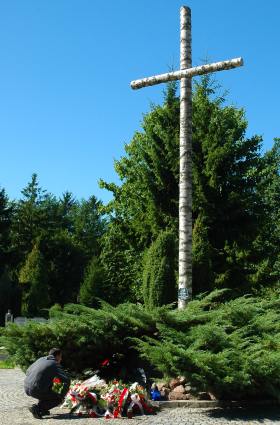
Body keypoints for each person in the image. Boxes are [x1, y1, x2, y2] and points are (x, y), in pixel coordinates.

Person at [24, 348, 70, 419]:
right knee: (58, 398)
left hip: (27, 387)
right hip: (36, 389)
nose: (61, 359)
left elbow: (27, 371)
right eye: (61, 357)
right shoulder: (54, 364)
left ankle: (43, 410)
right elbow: (66, 380)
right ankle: (37, 409)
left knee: (48, 389)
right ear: (57, 356)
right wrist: (62, 395)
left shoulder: (41, 359)